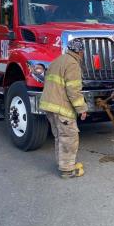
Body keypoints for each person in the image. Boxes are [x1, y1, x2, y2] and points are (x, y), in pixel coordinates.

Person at [39, 38, 88, 178]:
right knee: (69, 137)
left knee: (60, 137)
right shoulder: (72, 64)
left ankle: (63, 163)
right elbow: (73, 90)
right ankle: (67, 170)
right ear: (80, 51)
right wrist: (82, 108)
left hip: (49, 105)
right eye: (82, 51)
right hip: (62, 108)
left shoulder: (58, 60)